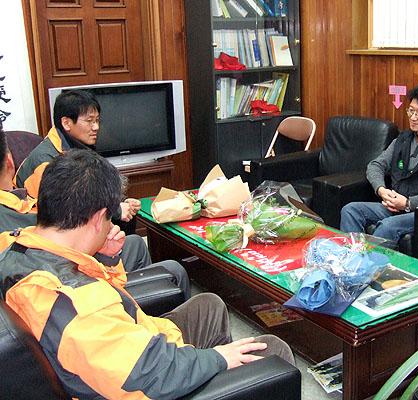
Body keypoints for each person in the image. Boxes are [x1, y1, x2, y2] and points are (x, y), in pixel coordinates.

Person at [0, 149, 294, 399]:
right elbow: (150, 374)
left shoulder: (19, 249)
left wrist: (105, 258)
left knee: (209, 306)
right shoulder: (79, 307)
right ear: (98, 218)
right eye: (110, 218)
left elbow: (103, 303)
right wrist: (216, 359)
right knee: (272, 351)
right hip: (151, 374)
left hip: (132, 345)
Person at [12, 89, 190, 296]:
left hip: (70, 245)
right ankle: (131, 293)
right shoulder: (46, 163)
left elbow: (89, 189)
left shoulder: (71, 146)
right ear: (67, 123)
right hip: (61, 260)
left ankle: (144, 291)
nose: (96, 127)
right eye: (89, 121)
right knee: (169, 266)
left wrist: (122, 201)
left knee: (134, 242)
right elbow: (66, 218)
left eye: (97, 120)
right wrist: (116, 210)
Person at [340, 83, 418, 242]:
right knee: (351, 210)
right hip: (394, 205)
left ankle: (368, 258)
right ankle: (353, 254)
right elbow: (376, 165)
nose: (413, 118)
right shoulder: (403, 139)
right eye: (411, 111)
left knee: (388, 226)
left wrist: (408, 203)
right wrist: (381, 190)